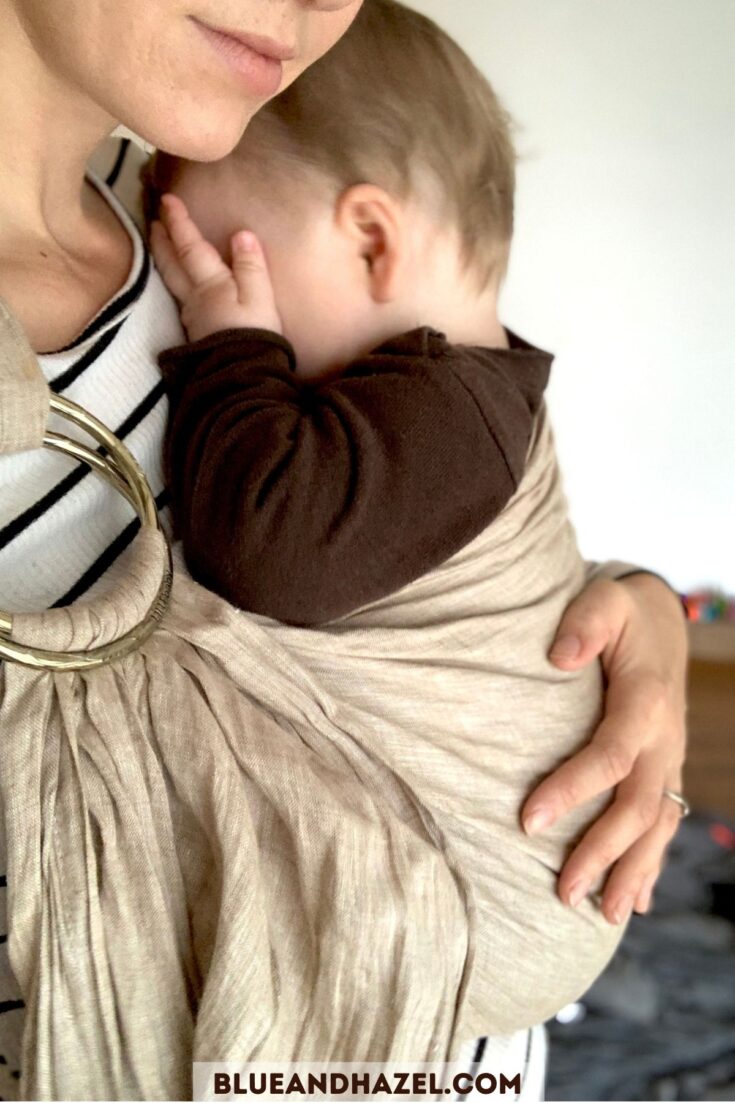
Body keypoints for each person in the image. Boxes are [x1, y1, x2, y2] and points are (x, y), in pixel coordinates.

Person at [0, 0, 687, 1097]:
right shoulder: (219, 211)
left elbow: (364, 552)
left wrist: (640, 612)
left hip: (473, 1023)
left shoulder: (193, 177)